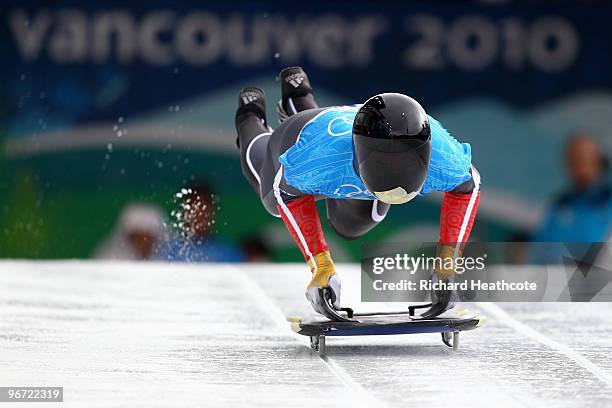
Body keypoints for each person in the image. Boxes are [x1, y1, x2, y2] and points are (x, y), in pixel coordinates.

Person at [235, 66, 481, 319]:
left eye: (404, 165)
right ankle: (250, 116)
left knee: (353, 226)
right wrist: (321, 266)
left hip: (338, 157)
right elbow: (285, 193)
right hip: (308, 140)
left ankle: (298, 97)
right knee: (273, 202)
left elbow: (469, 187)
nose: (395, 173)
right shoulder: (315, 162)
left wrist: (447, 264)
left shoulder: (445, 158)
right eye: (384, 164)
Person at [531, 134, 612, 263]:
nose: (580, 165)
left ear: (599, 160)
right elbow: (538, 252)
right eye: (574, 159)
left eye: (584, 158)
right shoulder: (559, 205)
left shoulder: (607, 202)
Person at [163, 182, 245, 262]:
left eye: (205, 209)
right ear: (184, 211)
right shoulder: (170, 250)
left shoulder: (228, 252)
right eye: (195, 210)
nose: (200, 215)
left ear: (213, 212)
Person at [95, 203, 166, 260]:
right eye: (137, 238)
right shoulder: (109, 260)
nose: (143, 243)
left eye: (148, 238)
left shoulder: (168, 259)